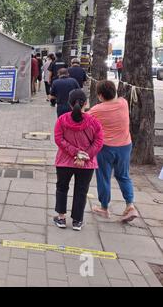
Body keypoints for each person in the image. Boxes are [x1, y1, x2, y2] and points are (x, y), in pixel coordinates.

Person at [88, 80, 139, 222]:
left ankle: (104, 208)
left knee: (104, 177)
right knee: (123, 175)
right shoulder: (123, 103)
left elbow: (85, 122)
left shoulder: (96, 110)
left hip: (106, 148)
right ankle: (130, 205)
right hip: (125, 146)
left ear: (100, 96)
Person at [53, 89, 104, 231]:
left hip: (64, 161)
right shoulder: (94, 122)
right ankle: (77, 220)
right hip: (86, 164)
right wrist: (83, 156)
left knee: (62, 188)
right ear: (86, 104)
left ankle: (61, 218)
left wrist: (75, 153)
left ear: (69, 104)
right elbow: (98, 142)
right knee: (81, 190)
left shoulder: (62, 120)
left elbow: (59, 139)